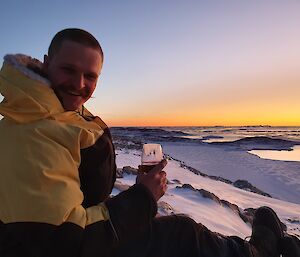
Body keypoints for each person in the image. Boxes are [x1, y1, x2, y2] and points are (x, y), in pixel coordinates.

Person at [0, 28, 299, 257]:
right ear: (47, 62)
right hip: (71, 242)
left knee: (178, 229)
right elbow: (63, 240)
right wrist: (142, 198)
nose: (79, 84)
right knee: (182, 234)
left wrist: (137, 194)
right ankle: (258, 252)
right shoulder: (34, 129)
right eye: (69, 70)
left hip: (83, 224)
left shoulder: (54, 107)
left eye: (90, 76)